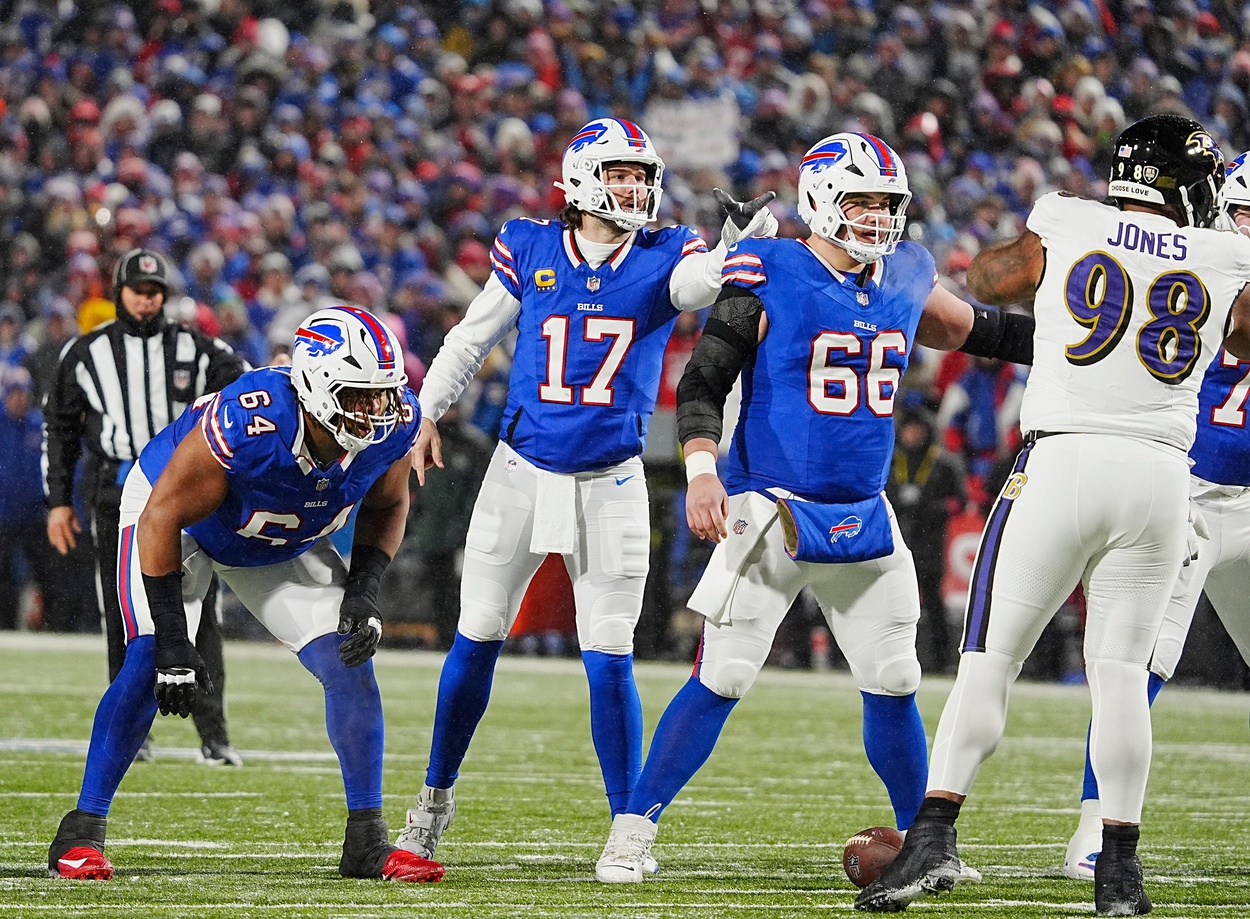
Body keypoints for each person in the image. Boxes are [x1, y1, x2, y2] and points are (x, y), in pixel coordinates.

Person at [594, 132, 1033, 883]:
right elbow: (701, 384)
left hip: (864, 510)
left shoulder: (902, 273)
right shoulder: (768, 268)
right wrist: (702, 473)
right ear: (822, 197)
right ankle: (631, 829)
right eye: (861, 200)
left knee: (896, 678)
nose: (875, 217)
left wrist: (1085, 345)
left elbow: (973, 329)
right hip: (769, 505)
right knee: (722, 675)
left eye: (887, 203)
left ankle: (926, 844)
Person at [856, 115, 1250, 917]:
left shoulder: (1069, 219)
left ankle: (934, 835)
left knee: (989, 662)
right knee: (1119, 680)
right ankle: (1118, 869)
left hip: (1065, 459)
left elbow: (992, 280)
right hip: (1161, 478)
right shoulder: (1227, 254)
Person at [395, 117, 780, 865]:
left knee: (609, 653)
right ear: (578, 181)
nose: (635, 188)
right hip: (519, 471)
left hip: (611, 481)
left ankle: (625, 827)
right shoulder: (533, 245)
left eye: (642, 175)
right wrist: (427, 413)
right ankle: (432, 801)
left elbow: (697, 284)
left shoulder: (668, 250)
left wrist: (733, 249)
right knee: (476, 637)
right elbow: (471, 338)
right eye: (620, 174)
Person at [47, 305, 444, 885]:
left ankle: (365, 841)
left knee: (348, 658)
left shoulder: (392, 426)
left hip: (278, 536)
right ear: (313, 386)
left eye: (383, 396)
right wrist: (177, 639)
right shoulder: (250, 420)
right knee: (148, 660)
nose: (375, 412)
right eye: (359, 397)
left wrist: (365, 588)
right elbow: (163, 514)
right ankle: (79, 833)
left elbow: (388, 503)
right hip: (176, 523)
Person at [1063, 149, 1250, 881]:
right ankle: (1092, 829)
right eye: (1246, 214)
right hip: (1189, 494)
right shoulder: (1194, 271)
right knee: (1139, 662)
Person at [42, 249, 247, 766]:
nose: (147, 299)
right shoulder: (84, 354)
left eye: (155, 292)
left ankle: (213, 734)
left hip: (185, 493)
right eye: (138, 290)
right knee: (124, 616)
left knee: (201, 614)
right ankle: (134, 736)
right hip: (115, 495)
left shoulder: (197, 349)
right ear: (119, 291)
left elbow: (245, 391)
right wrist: (58, 503)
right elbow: (61, 431)